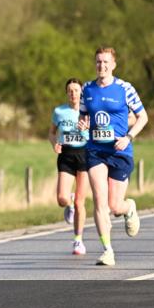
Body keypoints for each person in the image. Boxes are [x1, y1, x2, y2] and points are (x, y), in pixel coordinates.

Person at [77, 46, 148, 267]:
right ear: (94, 63)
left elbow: (143, 117)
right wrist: (82, 125)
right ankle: (107, 250)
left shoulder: (125, 88)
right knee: (99, 200)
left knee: (114, 205)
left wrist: (128, 137)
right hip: (96, 150)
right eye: (98, 62)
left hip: (119, 150)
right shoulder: (87, 89)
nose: (102, 66)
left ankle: (129, 208)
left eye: (106, 62)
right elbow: (83, 118)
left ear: (113, 64)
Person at [49, 78, 90, 255]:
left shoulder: (89, 111)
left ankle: (78, 241)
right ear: (67, 93)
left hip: (85, 155)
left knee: (81, 202)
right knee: (62, 199)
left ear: (82, 92)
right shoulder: (59, 111)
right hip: (66, 155)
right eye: (70, 90)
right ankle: (69, 203)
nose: (73, 93)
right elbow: (51, 133)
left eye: (76, 90)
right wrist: (54, 144)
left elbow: (97, 133)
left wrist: (86, 131)